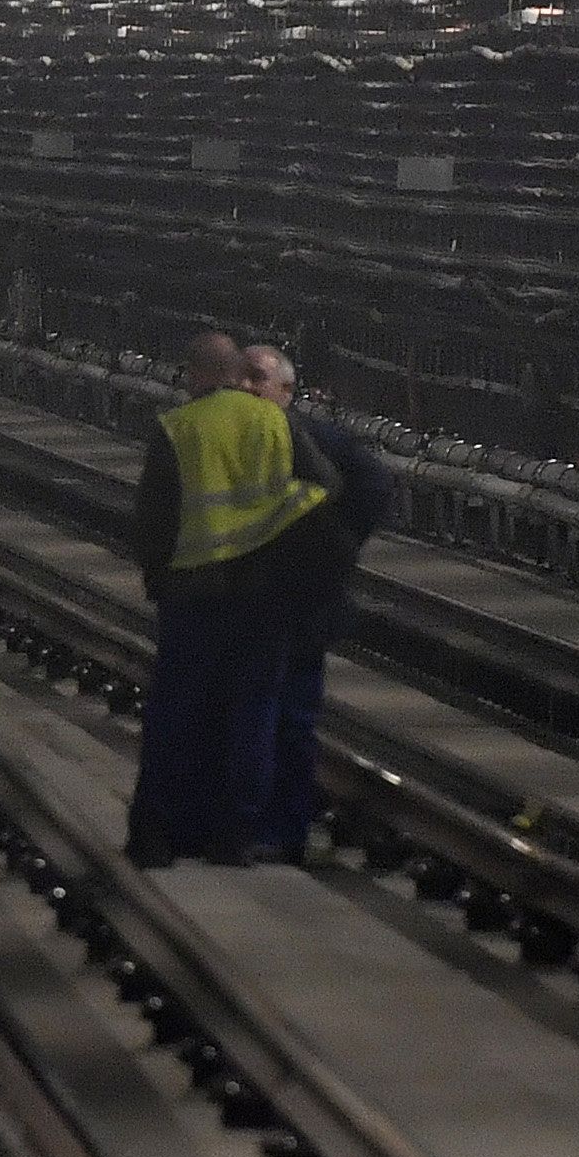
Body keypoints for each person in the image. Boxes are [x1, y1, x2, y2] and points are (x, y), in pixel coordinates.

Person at [125, 328, 344, 866]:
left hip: (192, 595)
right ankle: (235, 836)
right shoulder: (274, 420)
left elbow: (153, 520)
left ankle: (157, 835)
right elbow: (327, 487)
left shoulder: (177, 427)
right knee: (253, 713)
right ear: (236, 373)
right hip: (263, 595)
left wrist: (158, 579)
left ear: (197, 374)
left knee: (176, 711)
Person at [239, 341, 379, 862]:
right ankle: (250, 822)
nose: (249, 388)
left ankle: (281, 830)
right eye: (243, 378)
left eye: (260, 379)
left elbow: (373, 483)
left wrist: (336, 550)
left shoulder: (316, 439)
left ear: (288, 391)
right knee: (251, 715)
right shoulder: (233, 436)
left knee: (290, 720)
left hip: (298, 605)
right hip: (248, 601)